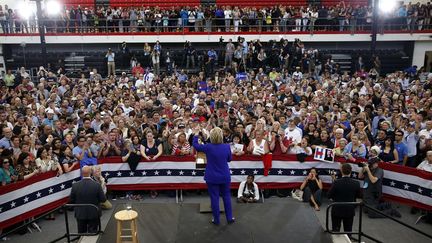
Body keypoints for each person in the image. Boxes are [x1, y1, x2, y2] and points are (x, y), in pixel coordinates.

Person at [192, 127, 235, 225]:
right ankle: (229, 218)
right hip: (224, 175)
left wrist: (195, 135)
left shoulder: (208, 147)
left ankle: (216, 220)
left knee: (214, 198)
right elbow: (229, 159)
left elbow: (196, 145)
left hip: (212, 176)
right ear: (221, 136)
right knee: (226, 196)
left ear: (211, 136)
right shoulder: (227, 146)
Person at [69, 166, 106, 233]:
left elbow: (71, 200)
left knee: (81, 233)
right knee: (93, 233)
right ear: (91, 173)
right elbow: (103, 199)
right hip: (94, 213)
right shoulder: (97, 185)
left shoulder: (75, 185)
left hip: (80, 214)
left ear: (82, 173)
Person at [327, 163, 361, 234]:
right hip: (349, 210)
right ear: (351, 171)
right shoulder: (356, 183)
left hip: (337, 210)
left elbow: (328, 195)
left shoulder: (336, 182)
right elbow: (359, 196)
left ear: (341, 171)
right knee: (348, 231)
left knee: (335, 232)